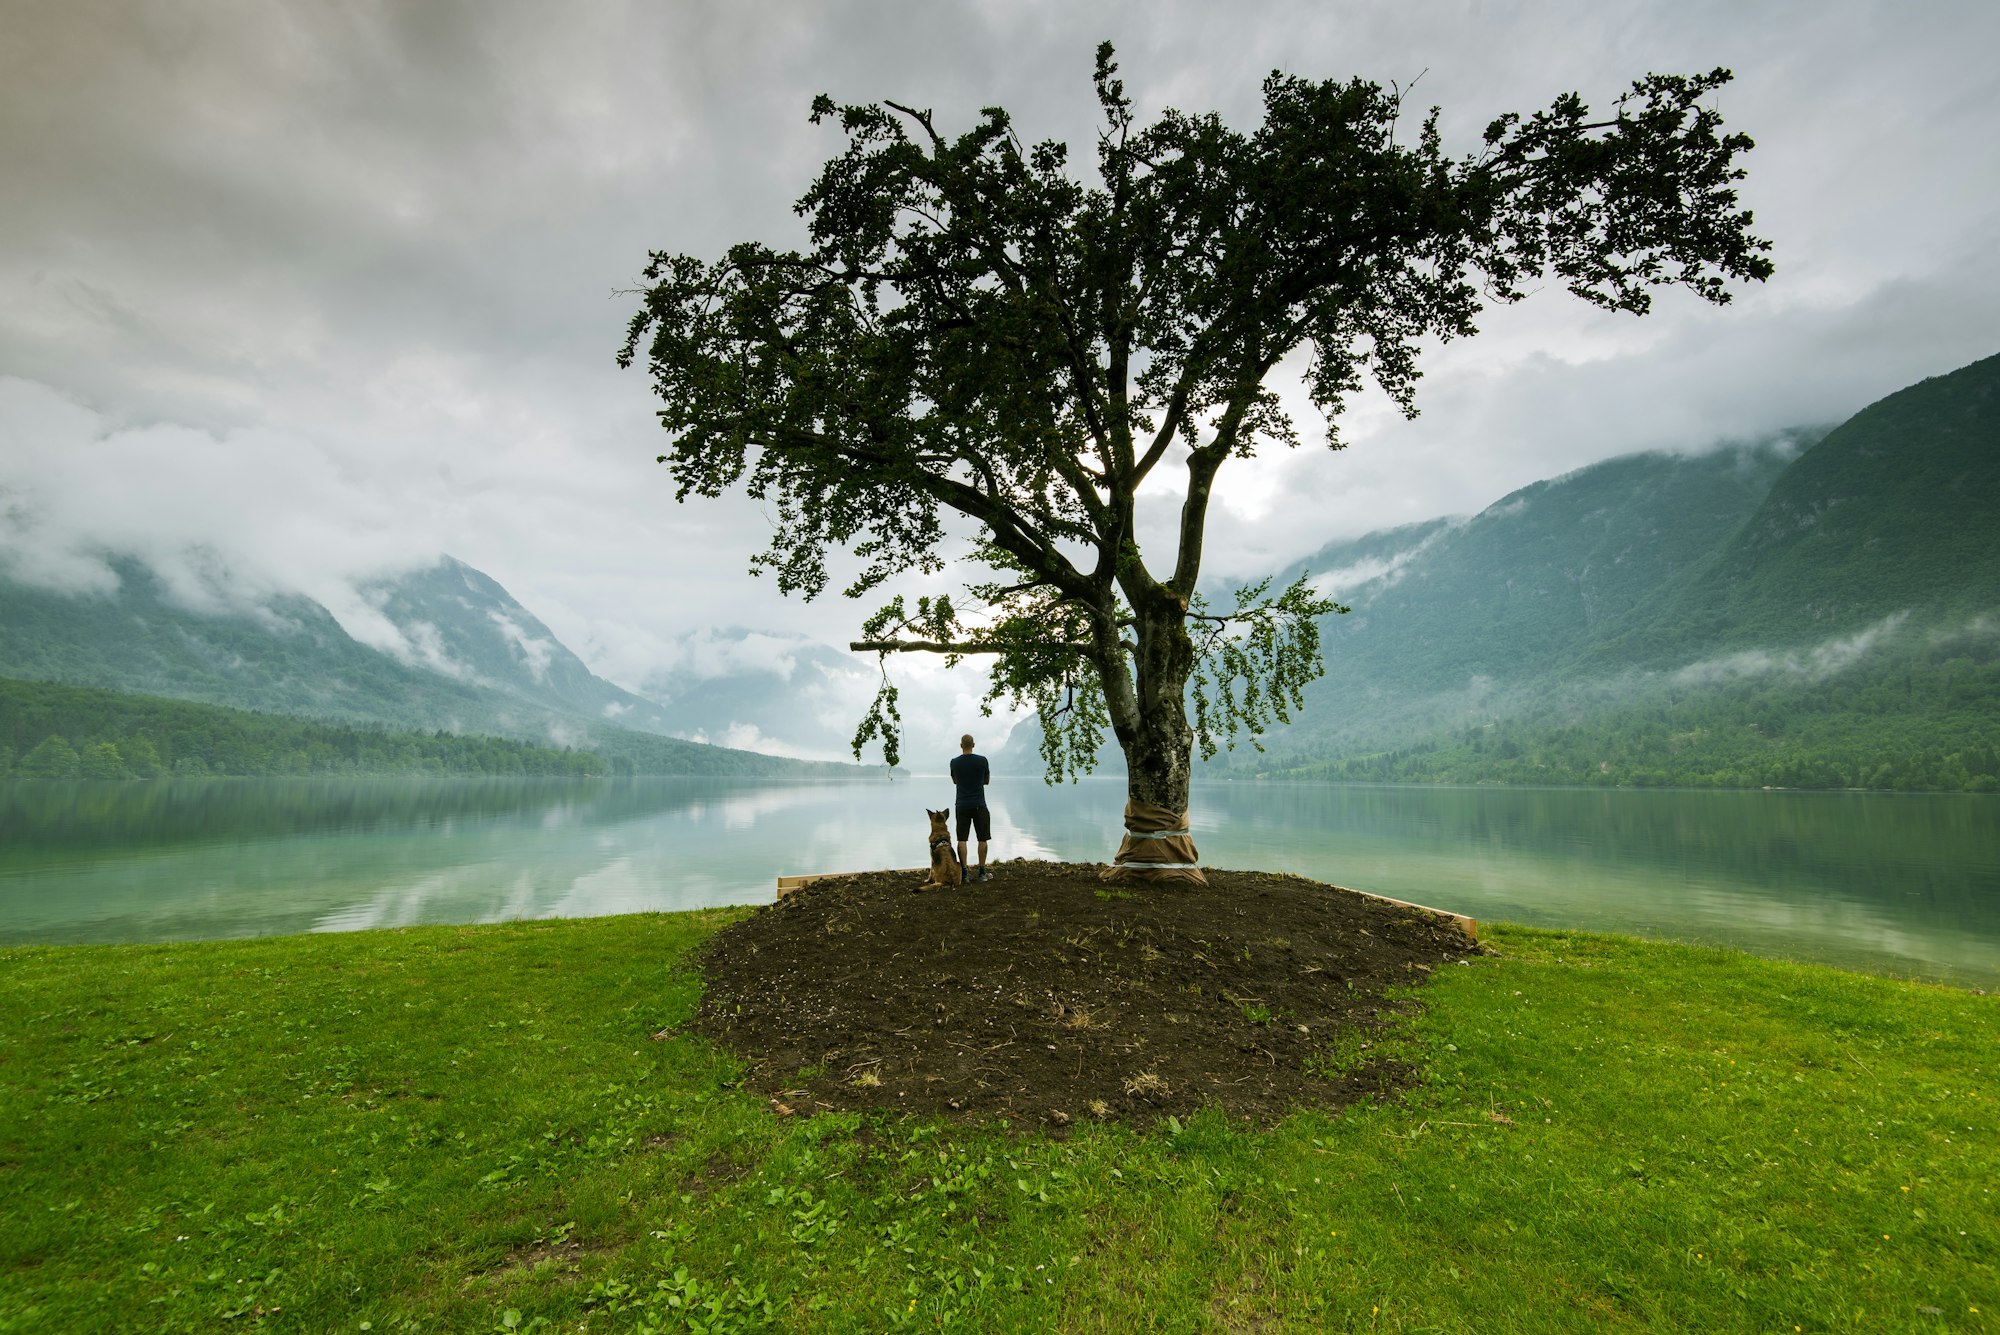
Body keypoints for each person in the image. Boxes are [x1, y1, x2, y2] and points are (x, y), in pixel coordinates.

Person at [949, 733, 991, 882]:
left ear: (961, 745)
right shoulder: (982, 760)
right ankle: (982, 873)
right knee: (983, 838)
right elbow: (986, 781)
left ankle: (965, 874)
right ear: (973, 745)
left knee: (962, 839)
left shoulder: (954, 762)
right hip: (979, 805)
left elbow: (955, 781)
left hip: (961, 805)